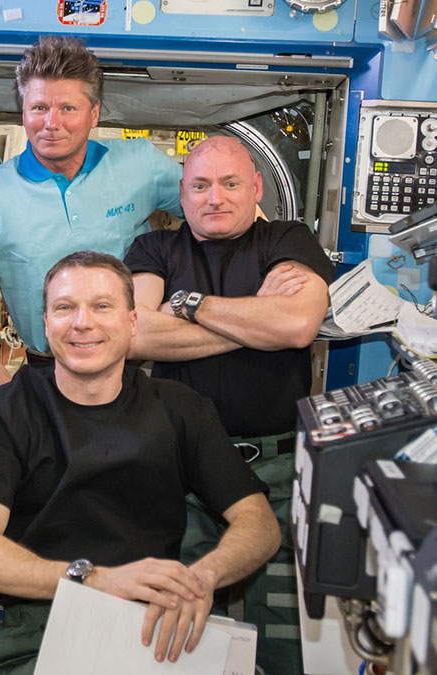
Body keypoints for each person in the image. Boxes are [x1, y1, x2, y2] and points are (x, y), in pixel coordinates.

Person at [0, 251, 280, 675]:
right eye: (64, 308)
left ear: (132, 322)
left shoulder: (178, 409)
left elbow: (259, 523)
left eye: (102, 306)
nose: (83, 322)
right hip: (44, 624)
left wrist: (203, 577)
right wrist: (94, 580)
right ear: (46, 323)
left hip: (157, 620)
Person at [125, 135, 334, 675]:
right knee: (180, 621)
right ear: (182, 193)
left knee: (288, 635)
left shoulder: (290, 239)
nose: (214, 196)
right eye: (199, 185)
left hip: (278, 467)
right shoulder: (153, 250)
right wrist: (254, 321)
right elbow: (135, 336)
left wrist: (190, 305)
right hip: (182, 472)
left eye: (229, 183)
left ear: (256, 187)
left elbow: (295, 324)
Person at [0, 35, 183, 391]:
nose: (51, 123)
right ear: (23, 111)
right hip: (44, 369)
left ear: (94, 113)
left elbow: (220, 212)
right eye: (39, 108)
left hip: (137, 364)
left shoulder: (141, 163)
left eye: (68, 108)